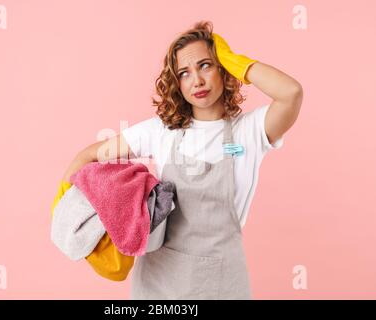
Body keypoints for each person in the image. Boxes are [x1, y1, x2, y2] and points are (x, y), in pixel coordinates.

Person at [60, 21, 303, 299]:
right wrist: (64, 203)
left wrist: (238, 62)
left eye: (206, 66)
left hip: (222, 282)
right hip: (159, 283)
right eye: (184, 73)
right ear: (178, 83)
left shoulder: (250, 131)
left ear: (224, 70)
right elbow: (90, 155)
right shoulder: (161, 131)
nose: (196, 81)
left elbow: (291, 93)